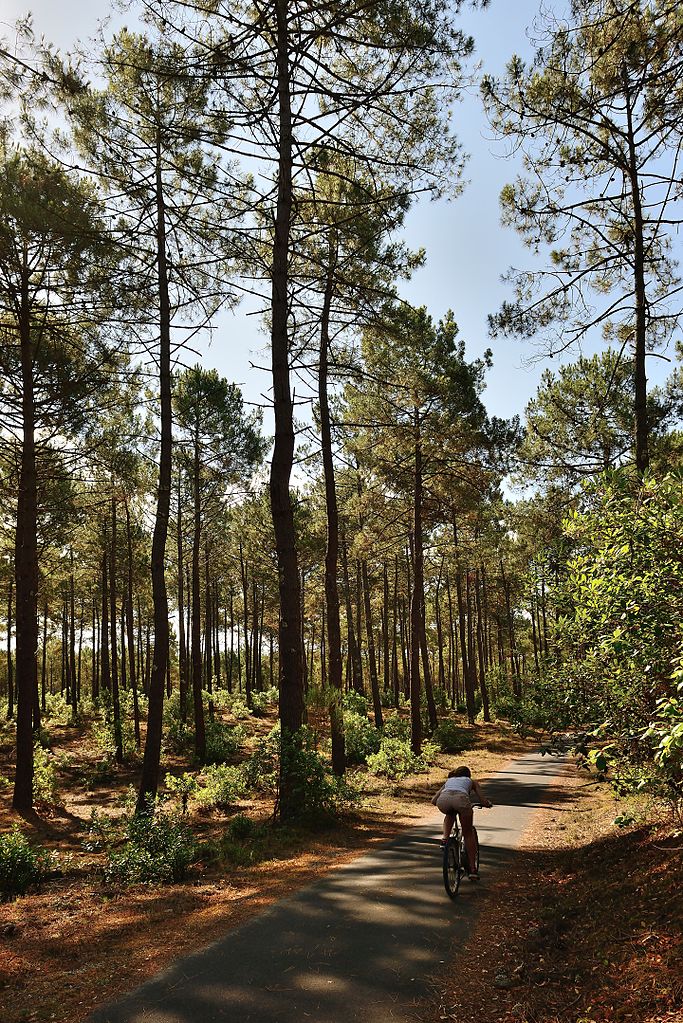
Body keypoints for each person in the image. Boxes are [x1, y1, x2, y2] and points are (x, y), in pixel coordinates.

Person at [431, 766, 492, 879]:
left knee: (450, 813)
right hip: (461, 800)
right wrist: (487, 803)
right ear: (468, 775)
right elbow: (482, 800)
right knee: (468, 833)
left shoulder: (449, 781)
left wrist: (444, 801)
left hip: (443, 801)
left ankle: (445, 839)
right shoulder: (471, 781)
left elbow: (433, 800)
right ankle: (472, 868)